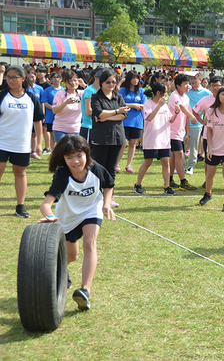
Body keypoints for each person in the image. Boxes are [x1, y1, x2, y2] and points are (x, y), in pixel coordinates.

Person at [39, 134, 115, 311]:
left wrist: (105, 203)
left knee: (90, 243)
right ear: (63, 159)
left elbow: (109, 184)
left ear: (87, 154)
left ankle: (85, 291)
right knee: (70, 256)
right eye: (69, 157)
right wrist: (50, 216)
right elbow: (46, 204)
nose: (75, 161)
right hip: (67, 217)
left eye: (79, 156)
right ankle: (62, 271)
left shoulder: (96, 169)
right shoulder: (62, 176)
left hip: (91, 211)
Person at [0, 65, 45, 218]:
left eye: (14, 77)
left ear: (23, 79)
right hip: (2, 142)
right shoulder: (2, 96)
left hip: (22, 144)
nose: (10, 80)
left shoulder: (31, 98)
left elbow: (38, 121)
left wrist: (39, 144)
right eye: (8, 77)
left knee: (20, 173)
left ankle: (20, 206)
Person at [90, 69, 129, 208]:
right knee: (99, 168)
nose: (112, 84)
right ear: (101, 82)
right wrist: (117, 112)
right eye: (108, 82)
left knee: (111, 169)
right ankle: (97, 197)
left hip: (117, 137)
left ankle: (109, 198)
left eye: (114, 82)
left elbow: (124, 115)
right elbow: (99, 113)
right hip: (101, 138)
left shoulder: (119, 97)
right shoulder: (96, 97)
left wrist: (107, 116)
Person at [134, 82, 179, 195]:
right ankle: (137, 184)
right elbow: (149, 118)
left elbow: (170, 120)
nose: (166, 95)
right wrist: (158, 105)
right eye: (165, 92)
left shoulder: (165, 105)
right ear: (158, 93)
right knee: (148, 162)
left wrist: (176, 113)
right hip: (152, 140)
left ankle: (167, 187)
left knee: (165, 162)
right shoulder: (148, 104)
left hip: (164, 140)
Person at [168, 74, 198, 191]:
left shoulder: (186, 97)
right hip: (172, 132)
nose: (188, 86)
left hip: (180, 132)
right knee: (179, 155)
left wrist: (188, 133)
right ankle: (183, 181)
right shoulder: (174, 96)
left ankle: (170, 179)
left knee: (174, 157)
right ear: (178, 86)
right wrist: (192, 117)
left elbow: (186, 115)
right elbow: (181, 107)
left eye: (188, 83)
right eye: (185, 84)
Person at [116, 71, 147, 174]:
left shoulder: (142, 91)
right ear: (128, 79)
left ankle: (128, 165)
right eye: (133, 78)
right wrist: (133, 105)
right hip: (124, 120)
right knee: (123, 143)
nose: (135, 80)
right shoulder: (122, 90)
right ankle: (117, 164)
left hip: (137, 121)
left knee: (133, 143)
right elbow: (119, 103)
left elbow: (145, 105)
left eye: (137, 78)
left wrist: (130, 105)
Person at [186, 73, 211, 175]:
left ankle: (190, 167)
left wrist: (204, 120)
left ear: (200, 80)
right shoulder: (187, 91)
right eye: (191, 79)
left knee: (194, 147)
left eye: (195, 79)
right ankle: (180, 166)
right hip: (184, 123)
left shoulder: (206, 93)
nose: (192, 81)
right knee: (182, 147)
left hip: (196, 124)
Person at [52, 69, 84, 143]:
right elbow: (54, 110)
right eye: (70, 81)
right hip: (60, 129)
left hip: (76, 129)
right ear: (65, 82)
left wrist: (84, 85)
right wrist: (65, 103)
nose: (73, 83)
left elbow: (96, 93)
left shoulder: (81, 93)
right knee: (63, 151)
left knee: (75, 151)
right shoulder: (60, 94)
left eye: (75, 80)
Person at [41, 71, 63, 154]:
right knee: (52, 135)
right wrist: (54, 109)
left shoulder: (64, 90)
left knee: (61, 135)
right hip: (51, 115)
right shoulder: (47, 90)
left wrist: (60, 109)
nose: (56, 79)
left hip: (62, 115)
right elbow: (45, 102)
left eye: (58, 77)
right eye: (54, 77)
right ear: (50, 79)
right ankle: (54, 152)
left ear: (61, 79)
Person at [80, 68, 103, 142]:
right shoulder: (90, 90)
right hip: (89, 126)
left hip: (99, 127)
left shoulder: (102, 91)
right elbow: (88, 111)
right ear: (95, 77)